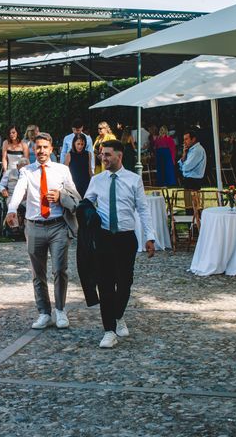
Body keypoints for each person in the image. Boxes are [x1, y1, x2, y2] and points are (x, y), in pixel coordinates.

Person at [84, 139, 155, 348]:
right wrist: (87, 213)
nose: (103, 158)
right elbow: (87, 203)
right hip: (104, 237)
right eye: (101, 155)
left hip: (126, 238)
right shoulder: (97, 180)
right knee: (105, 284)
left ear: (119, 156)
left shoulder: (134, 180)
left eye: (107, 154)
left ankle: (118, 315)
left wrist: (149, 237)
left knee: (124, 283)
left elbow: (143, 209)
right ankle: (109, 330)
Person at [5, 133, 80, 330]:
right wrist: (12, 210)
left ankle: (61, 310)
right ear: (34, 150)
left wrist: (61, 195)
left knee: (59, 270)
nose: (41, 151)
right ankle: (44, 312)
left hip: (58, 226)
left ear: (51, 149)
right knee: (38, 273)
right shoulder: (27, 171)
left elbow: (75, 196)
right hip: (34, 226)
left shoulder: (62, 170)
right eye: (38, 147)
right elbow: (19, 191)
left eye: (45, 147)